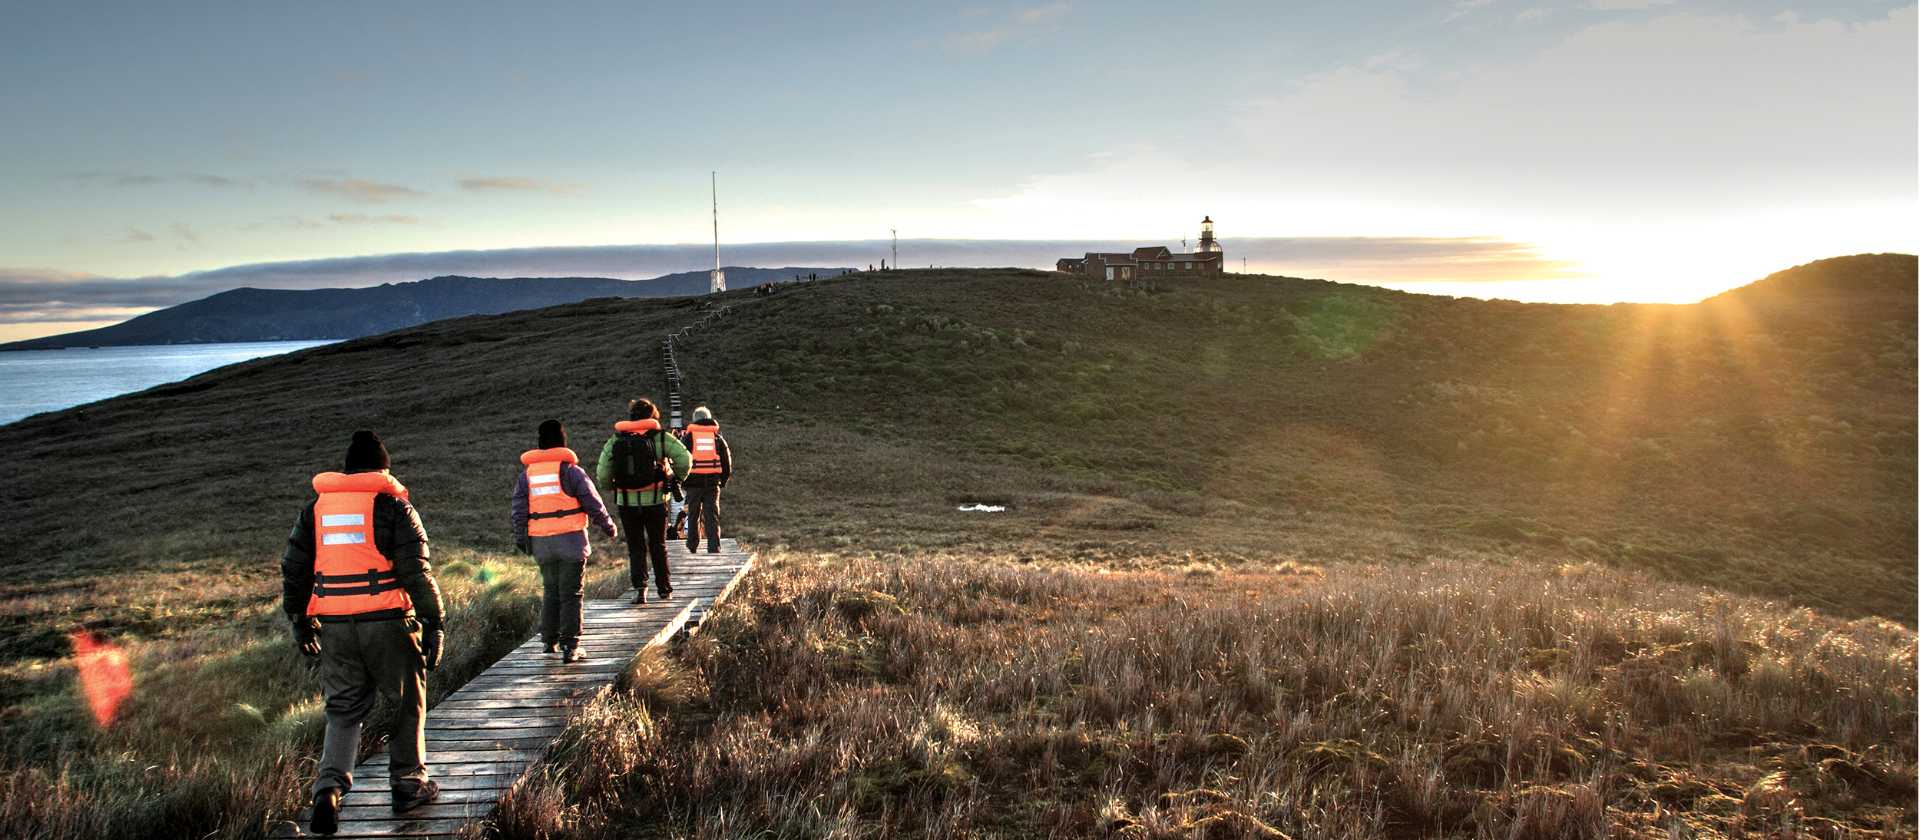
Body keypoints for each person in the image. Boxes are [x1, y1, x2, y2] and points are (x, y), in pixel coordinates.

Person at [282, 430, 444, 835]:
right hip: (388, 622)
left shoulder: (315, 510)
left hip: (335, 627)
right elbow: (416, 571)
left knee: (343, 711)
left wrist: (300, 619)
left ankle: (328, 791)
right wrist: (435, 622)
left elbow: (295, 569)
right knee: (407, 704)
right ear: (382, 469)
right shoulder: (393, 506)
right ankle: (409, 785)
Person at [512, 419, 616, 663]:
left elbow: (518, 509)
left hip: (541, 544)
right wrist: (608, 526)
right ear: (562, 441)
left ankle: (549, 640)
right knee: (571, 593)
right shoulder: (571, 471)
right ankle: (571, 646)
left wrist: (521, 537)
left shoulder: (527, 475)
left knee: (551, 590)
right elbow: (593, 502)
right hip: (570, 541)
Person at [596, 398, 690, 605]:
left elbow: (602, 473)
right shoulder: (661, 438)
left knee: (635, 546)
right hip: (656, 502)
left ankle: (641, 590)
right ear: (653, 416)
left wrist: (615, 487)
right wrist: (676, 478)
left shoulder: (616, 439)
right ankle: (665, 590)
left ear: (631, 417)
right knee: (658, 544)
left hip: (627, 504)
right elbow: (685, 459)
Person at [677, 406, 732, 554]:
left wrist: (681, 481)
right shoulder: (717, 438)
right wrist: (723, 481)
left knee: (692, 515)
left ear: (695, 420)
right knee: (711, 516)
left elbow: (680, 460)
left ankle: (692, 545)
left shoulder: (688, 438)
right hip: (712, 485)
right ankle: (714, 547)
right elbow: (727, 462)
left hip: (692, 485)